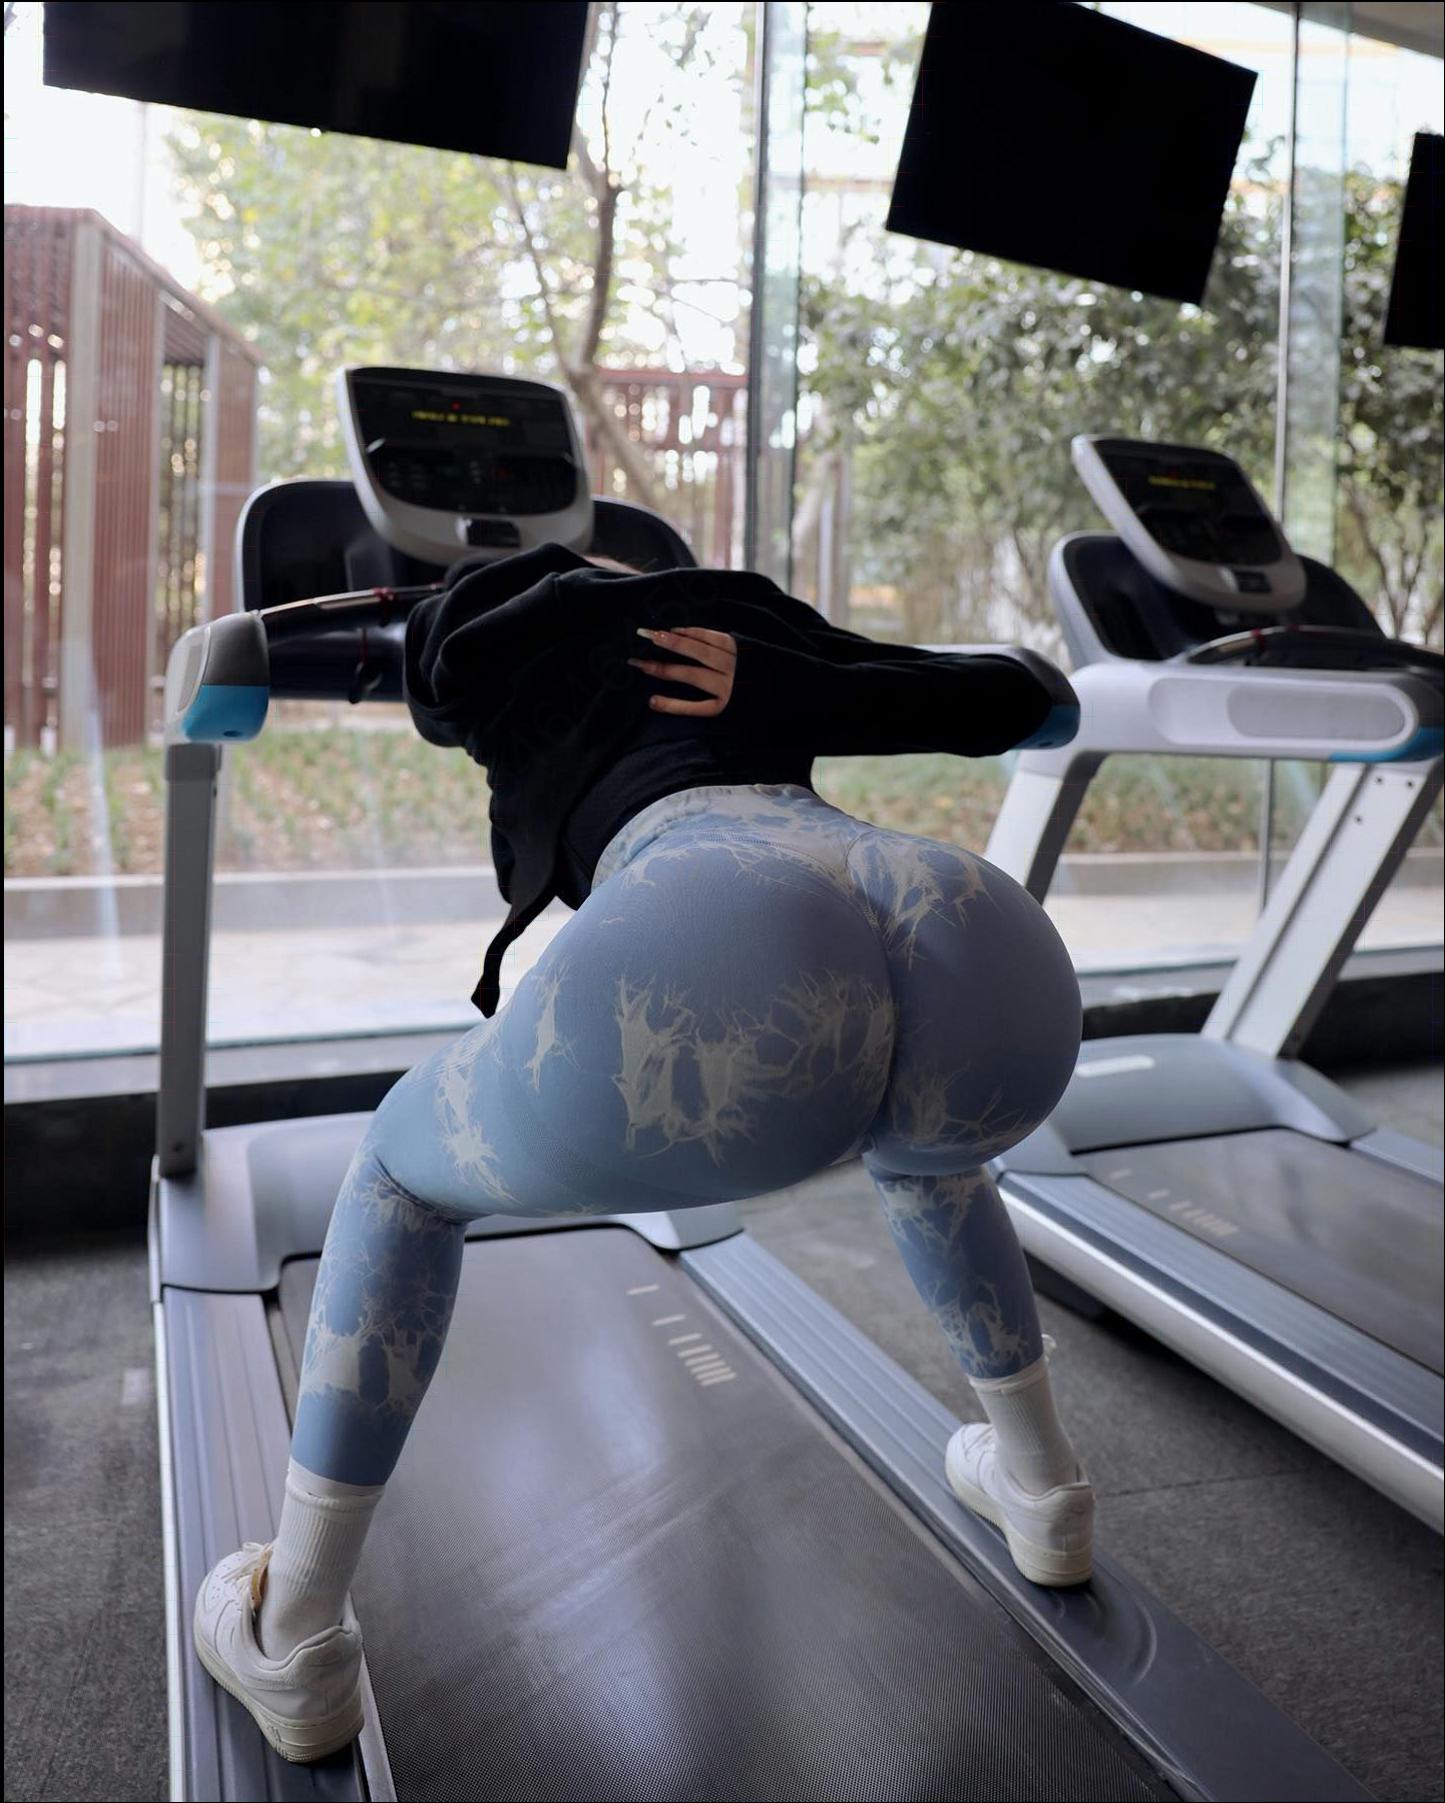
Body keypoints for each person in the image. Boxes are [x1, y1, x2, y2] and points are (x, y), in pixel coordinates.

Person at [192, 544, 1092, 1764]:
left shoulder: (485, 621)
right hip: (958, 916)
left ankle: (290, 1624)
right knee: (934, 1157)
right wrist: (779, 678)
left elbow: (438, 693)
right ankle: (1043, 1494)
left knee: (401, 1172)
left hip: (713, 919)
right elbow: (1029, 698)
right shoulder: (745, 614)